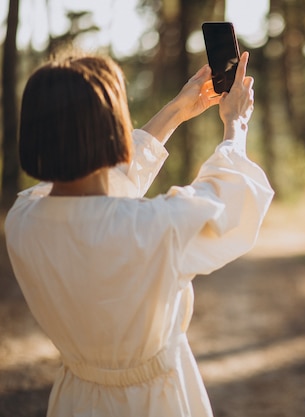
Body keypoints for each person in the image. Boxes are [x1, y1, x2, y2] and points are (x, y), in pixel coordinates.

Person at [4, 48, 273, 417]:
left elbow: (97, 188)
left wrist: (177, 111)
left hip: (75, 401)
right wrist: (235, 125)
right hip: (155, 402)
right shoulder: (151, 228)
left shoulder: (22, 220)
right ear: (110, 128)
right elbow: (227, 201)